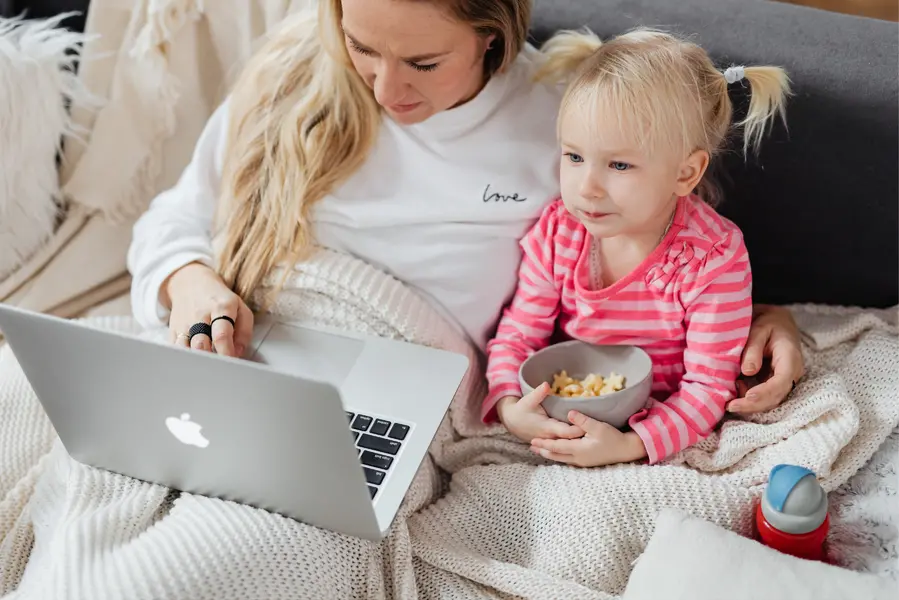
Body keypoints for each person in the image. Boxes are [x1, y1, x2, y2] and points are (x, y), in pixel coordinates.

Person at [126, 0, 805, 435]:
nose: (386, 88)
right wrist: (189, 282)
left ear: (491, 35)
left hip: (396, 385)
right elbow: (177, 213)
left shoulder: (560, 125)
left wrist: (762, 317)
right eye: (361, 45)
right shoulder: (291, 78)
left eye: (423, 62)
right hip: (239, 345)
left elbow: (659, 239)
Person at [485, 29, 791, 466]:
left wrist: (630, 445)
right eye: (574, 157)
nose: (587, 188)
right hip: (573, 406)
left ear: (685, 174)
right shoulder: (559, 233)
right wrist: (510, 407)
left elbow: (708, 388)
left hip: (662, 421)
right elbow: (518, 334)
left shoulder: (712, 257)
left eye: (620, 164)